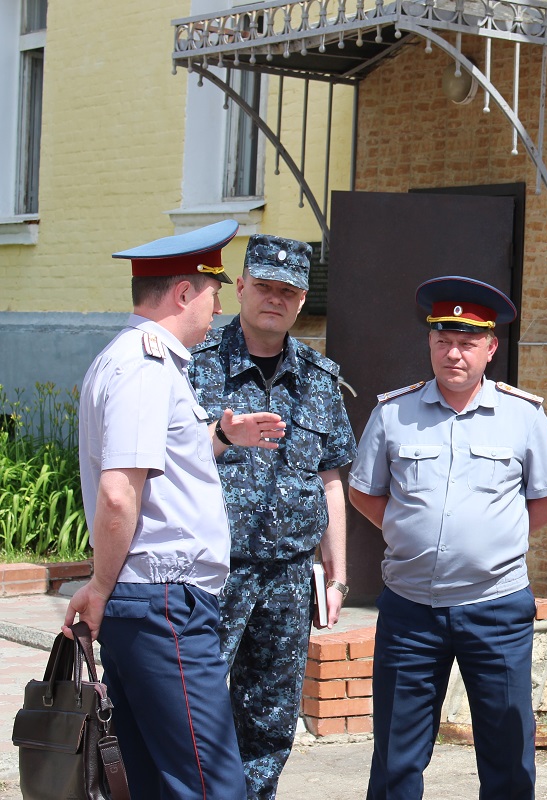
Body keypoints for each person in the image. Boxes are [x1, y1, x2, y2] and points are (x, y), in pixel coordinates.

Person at [66, 219, 286, 798]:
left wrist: (220, 437)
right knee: (211, 783)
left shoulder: (143, 363)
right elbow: (119, 493)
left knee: (155, 780)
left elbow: (161, 460)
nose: (218, 308)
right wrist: (99, 585)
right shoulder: (144, 367)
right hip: (163, 601)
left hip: (153, 600)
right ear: (184, 292)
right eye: (214, 292)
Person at [348, 275, 547, 800]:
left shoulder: (523, 415)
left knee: (508, 753)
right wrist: (409, 531)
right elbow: (364, 493)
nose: (453, 354)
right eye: (443, 340)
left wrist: (497, 539)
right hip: (410, 610)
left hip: (495, 608)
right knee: (396, 758)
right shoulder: (393, 413)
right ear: (429, 342)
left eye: (467, 343)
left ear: (490, 348)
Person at [189, 234, 357, 799]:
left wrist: (336, 576)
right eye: (263, 286)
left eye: (287, 291)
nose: (274, 299)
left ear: (302, 300)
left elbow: (331, 477)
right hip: (210, 571)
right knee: (193, 708)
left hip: (287, 576)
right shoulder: (196, 367)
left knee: (269, 716)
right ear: (239, 288)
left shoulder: (319, 377)